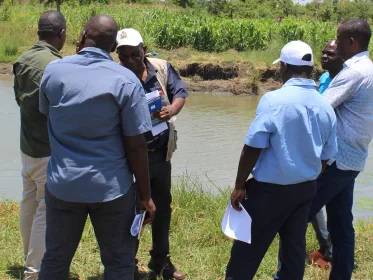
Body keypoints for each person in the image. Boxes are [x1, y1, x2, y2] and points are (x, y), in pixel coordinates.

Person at [38, 15, 156, 279]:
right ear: (114, 47)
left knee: (56, 259)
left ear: (81, 37)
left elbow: (48, 116)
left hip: (63, 184)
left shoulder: (54, 72)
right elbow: (137, 145)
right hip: (111, 190)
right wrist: (146, 196)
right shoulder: (125, 80)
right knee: (118, 263)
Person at [225, 40, 337, 280]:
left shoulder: (273, 100)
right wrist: (308, 178)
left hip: (269, 192)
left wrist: (239, 185)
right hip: (305, 189)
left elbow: (252, 147)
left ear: (284, 67)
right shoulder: (325, 105)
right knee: (294, 249)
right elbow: (327, 156)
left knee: (247, 250)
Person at [116, 28, 187, 280]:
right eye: (123, 56)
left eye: (134, 54)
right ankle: (128, 263)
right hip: (129, 158)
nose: (129, 61)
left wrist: (172, 109)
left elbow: (180, 92)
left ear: (143, 49)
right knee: (133, 211)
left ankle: (160, 260)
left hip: (159, 154)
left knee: (162, 208)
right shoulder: (116, 76)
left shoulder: (161, 67)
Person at [306, 19, 373, 280]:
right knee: (342, 225)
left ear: (351, 42)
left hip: (336, 159)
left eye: (339, 38)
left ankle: (286, 273)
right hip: (354, 158)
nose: (335, 43)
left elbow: (320, 108)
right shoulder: (369, 69)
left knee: (299, 214)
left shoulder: (354, 73)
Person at [12, 11, 66, 280]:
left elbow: (19, 101)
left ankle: (28, 259)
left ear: (37, 32)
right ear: (62, 35)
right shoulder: (56, 66)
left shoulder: (22, 59)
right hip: (47, 150)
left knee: (28, 204)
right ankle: (35, 272)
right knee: (45, 210)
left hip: (26, 147)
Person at [308, 39, 344, 269]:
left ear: (343, 58)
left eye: (330, 54)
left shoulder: (343, 82)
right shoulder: (323, 79)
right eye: (322, 53)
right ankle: (328, 247)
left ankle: (329, 249)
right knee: (320, 202)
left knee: (314, 201)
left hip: (333, 151)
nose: (324, 57)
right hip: (319, 147)